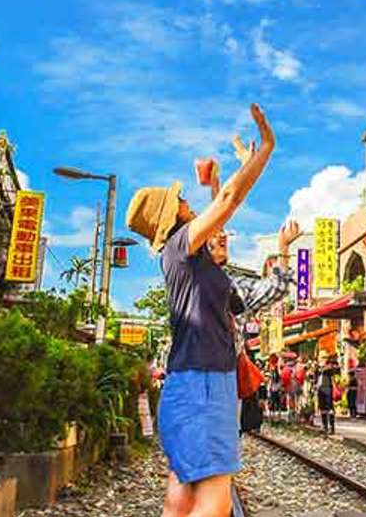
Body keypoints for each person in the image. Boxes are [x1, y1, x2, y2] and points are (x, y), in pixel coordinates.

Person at [126, 103, 275, 517]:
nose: (188, 201)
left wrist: (217, 182)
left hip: (190, 383)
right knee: (212, 498)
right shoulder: (182, 247)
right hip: (206, 384)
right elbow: (228, 203)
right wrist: (266, 148)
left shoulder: (185, 256)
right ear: (174, 216)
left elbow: (218, 217)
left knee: (182, 493)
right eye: (182, 200)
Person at [316, 353, 339, 434]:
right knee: (323, 409)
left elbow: (336, 370)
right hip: (320, 388)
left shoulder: (330, 366)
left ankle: (332, 427)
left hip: (327, 388)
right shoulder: (318, 367)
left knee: (329, 408)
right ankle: (325, 426)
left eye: (323, 357)